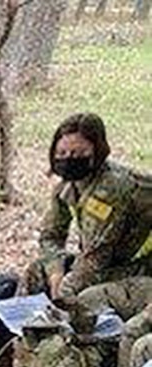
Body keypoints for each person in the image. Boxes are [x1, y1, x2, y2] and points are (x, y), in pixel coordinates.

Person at [22, 113, 152, 312]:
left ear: (96, 152)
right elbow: (51, 237)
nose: (69, 160)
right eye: (62, 153)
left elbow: (96, 258)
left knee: (80, 296)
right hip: (109, 263)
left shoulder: (111, 188)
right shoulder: (67, 187)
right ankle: (15, 332)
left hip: (139, 268)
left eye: (78, 153)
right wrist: (55, 272)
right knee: (38, 270)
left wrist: (63, 289)